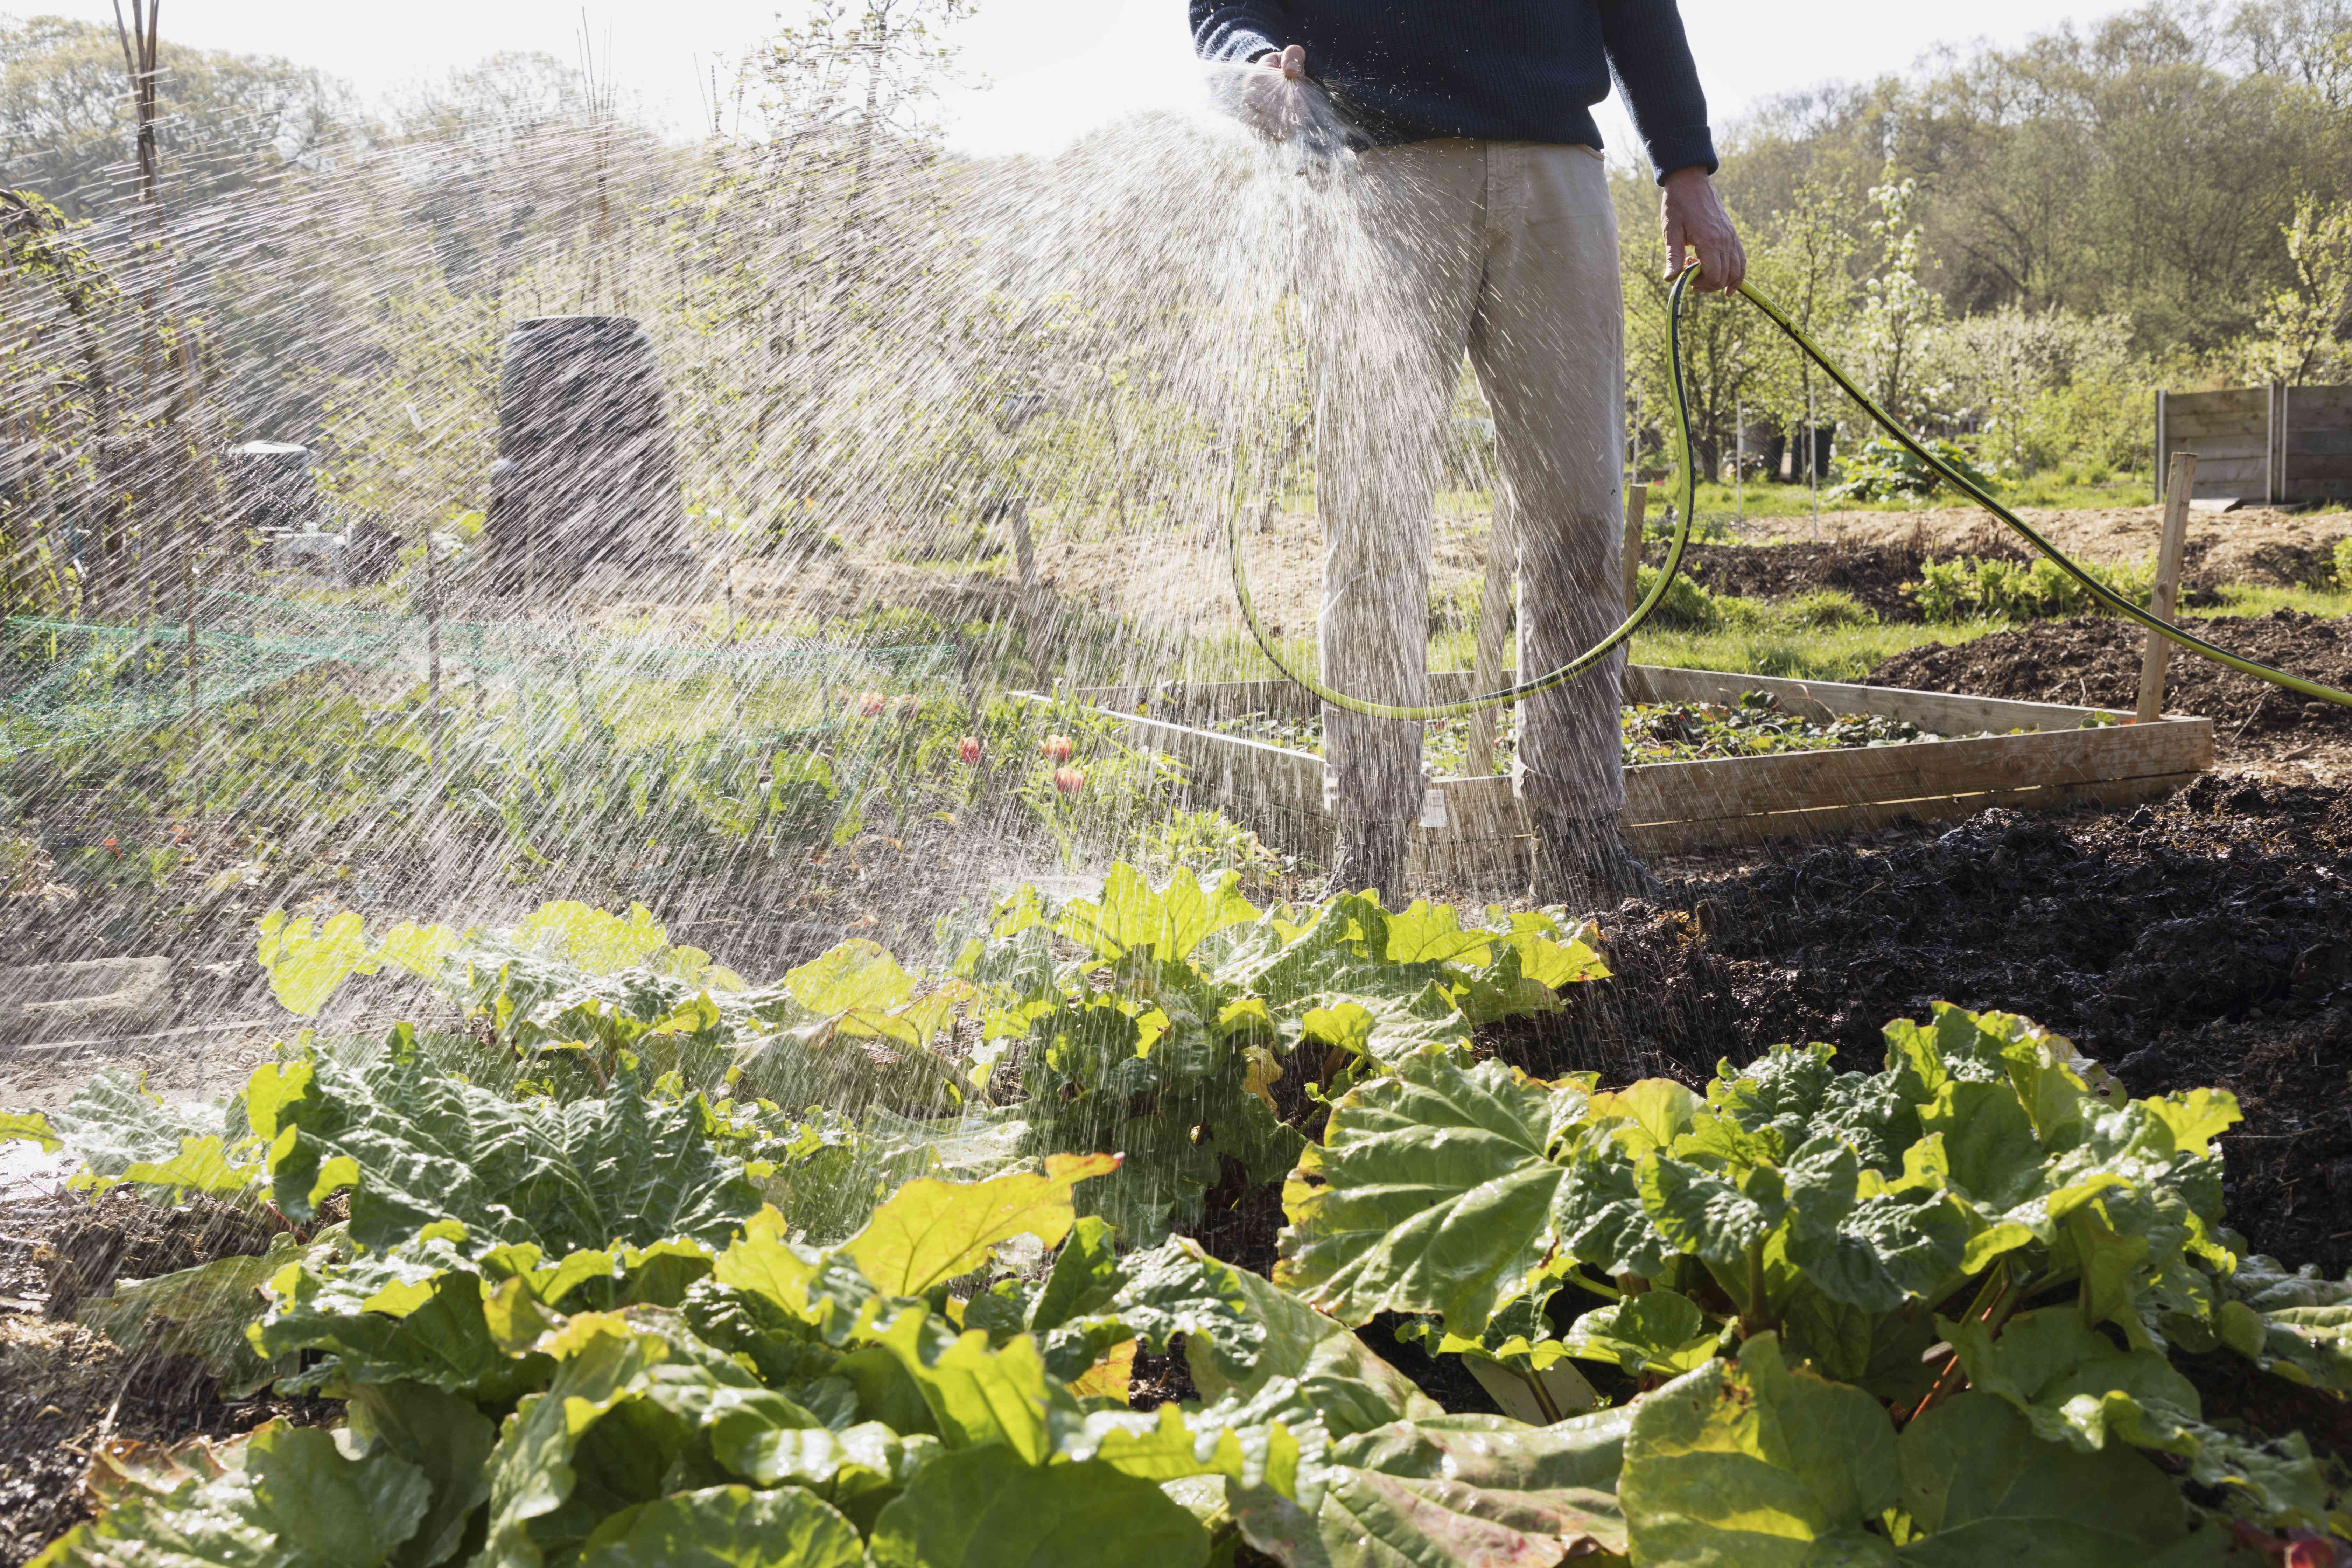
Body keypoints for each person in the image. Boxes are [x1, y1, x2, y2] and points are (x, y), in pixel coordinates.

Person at [1192, 2, 1745, 909]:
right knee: (1372, 529)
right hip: (1371, 177)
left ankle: (1578, 839)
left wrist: (1687, 164)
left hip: (1551, 166)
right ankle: (1369, 851)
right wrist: (1251, 59)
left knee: (1580, 520)